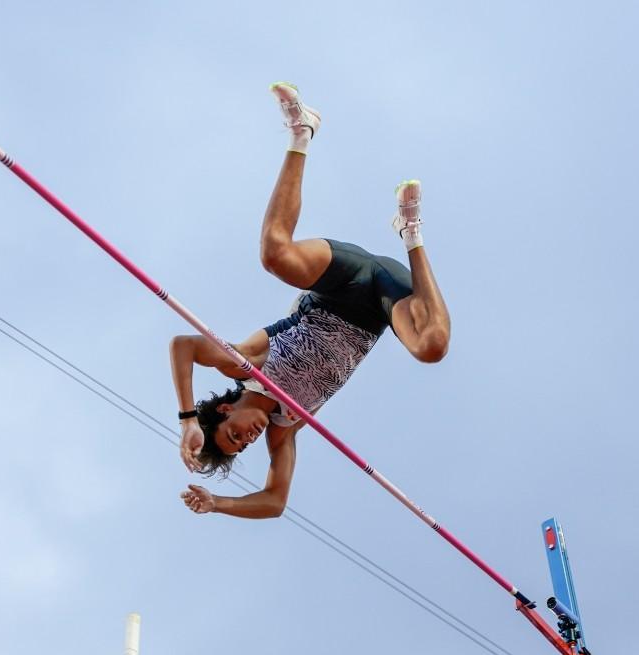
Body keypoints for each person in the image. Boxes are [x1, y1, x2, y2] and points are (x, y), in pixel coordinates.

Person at [170, 82, 451, 519]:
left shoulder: (245, 363)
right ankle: (411, 232)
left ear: (225, 409)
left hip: (340, 284)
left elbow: (183, 345)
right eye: (242, 447)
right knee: (431, 347)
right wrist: (217, 503)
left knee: (273, 255)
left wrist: (187, 418)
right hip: (382, 303)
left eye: (233, 436)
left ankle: (301, 133)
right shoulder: (284, 429)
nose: (246, 440)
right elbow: (275, 502)